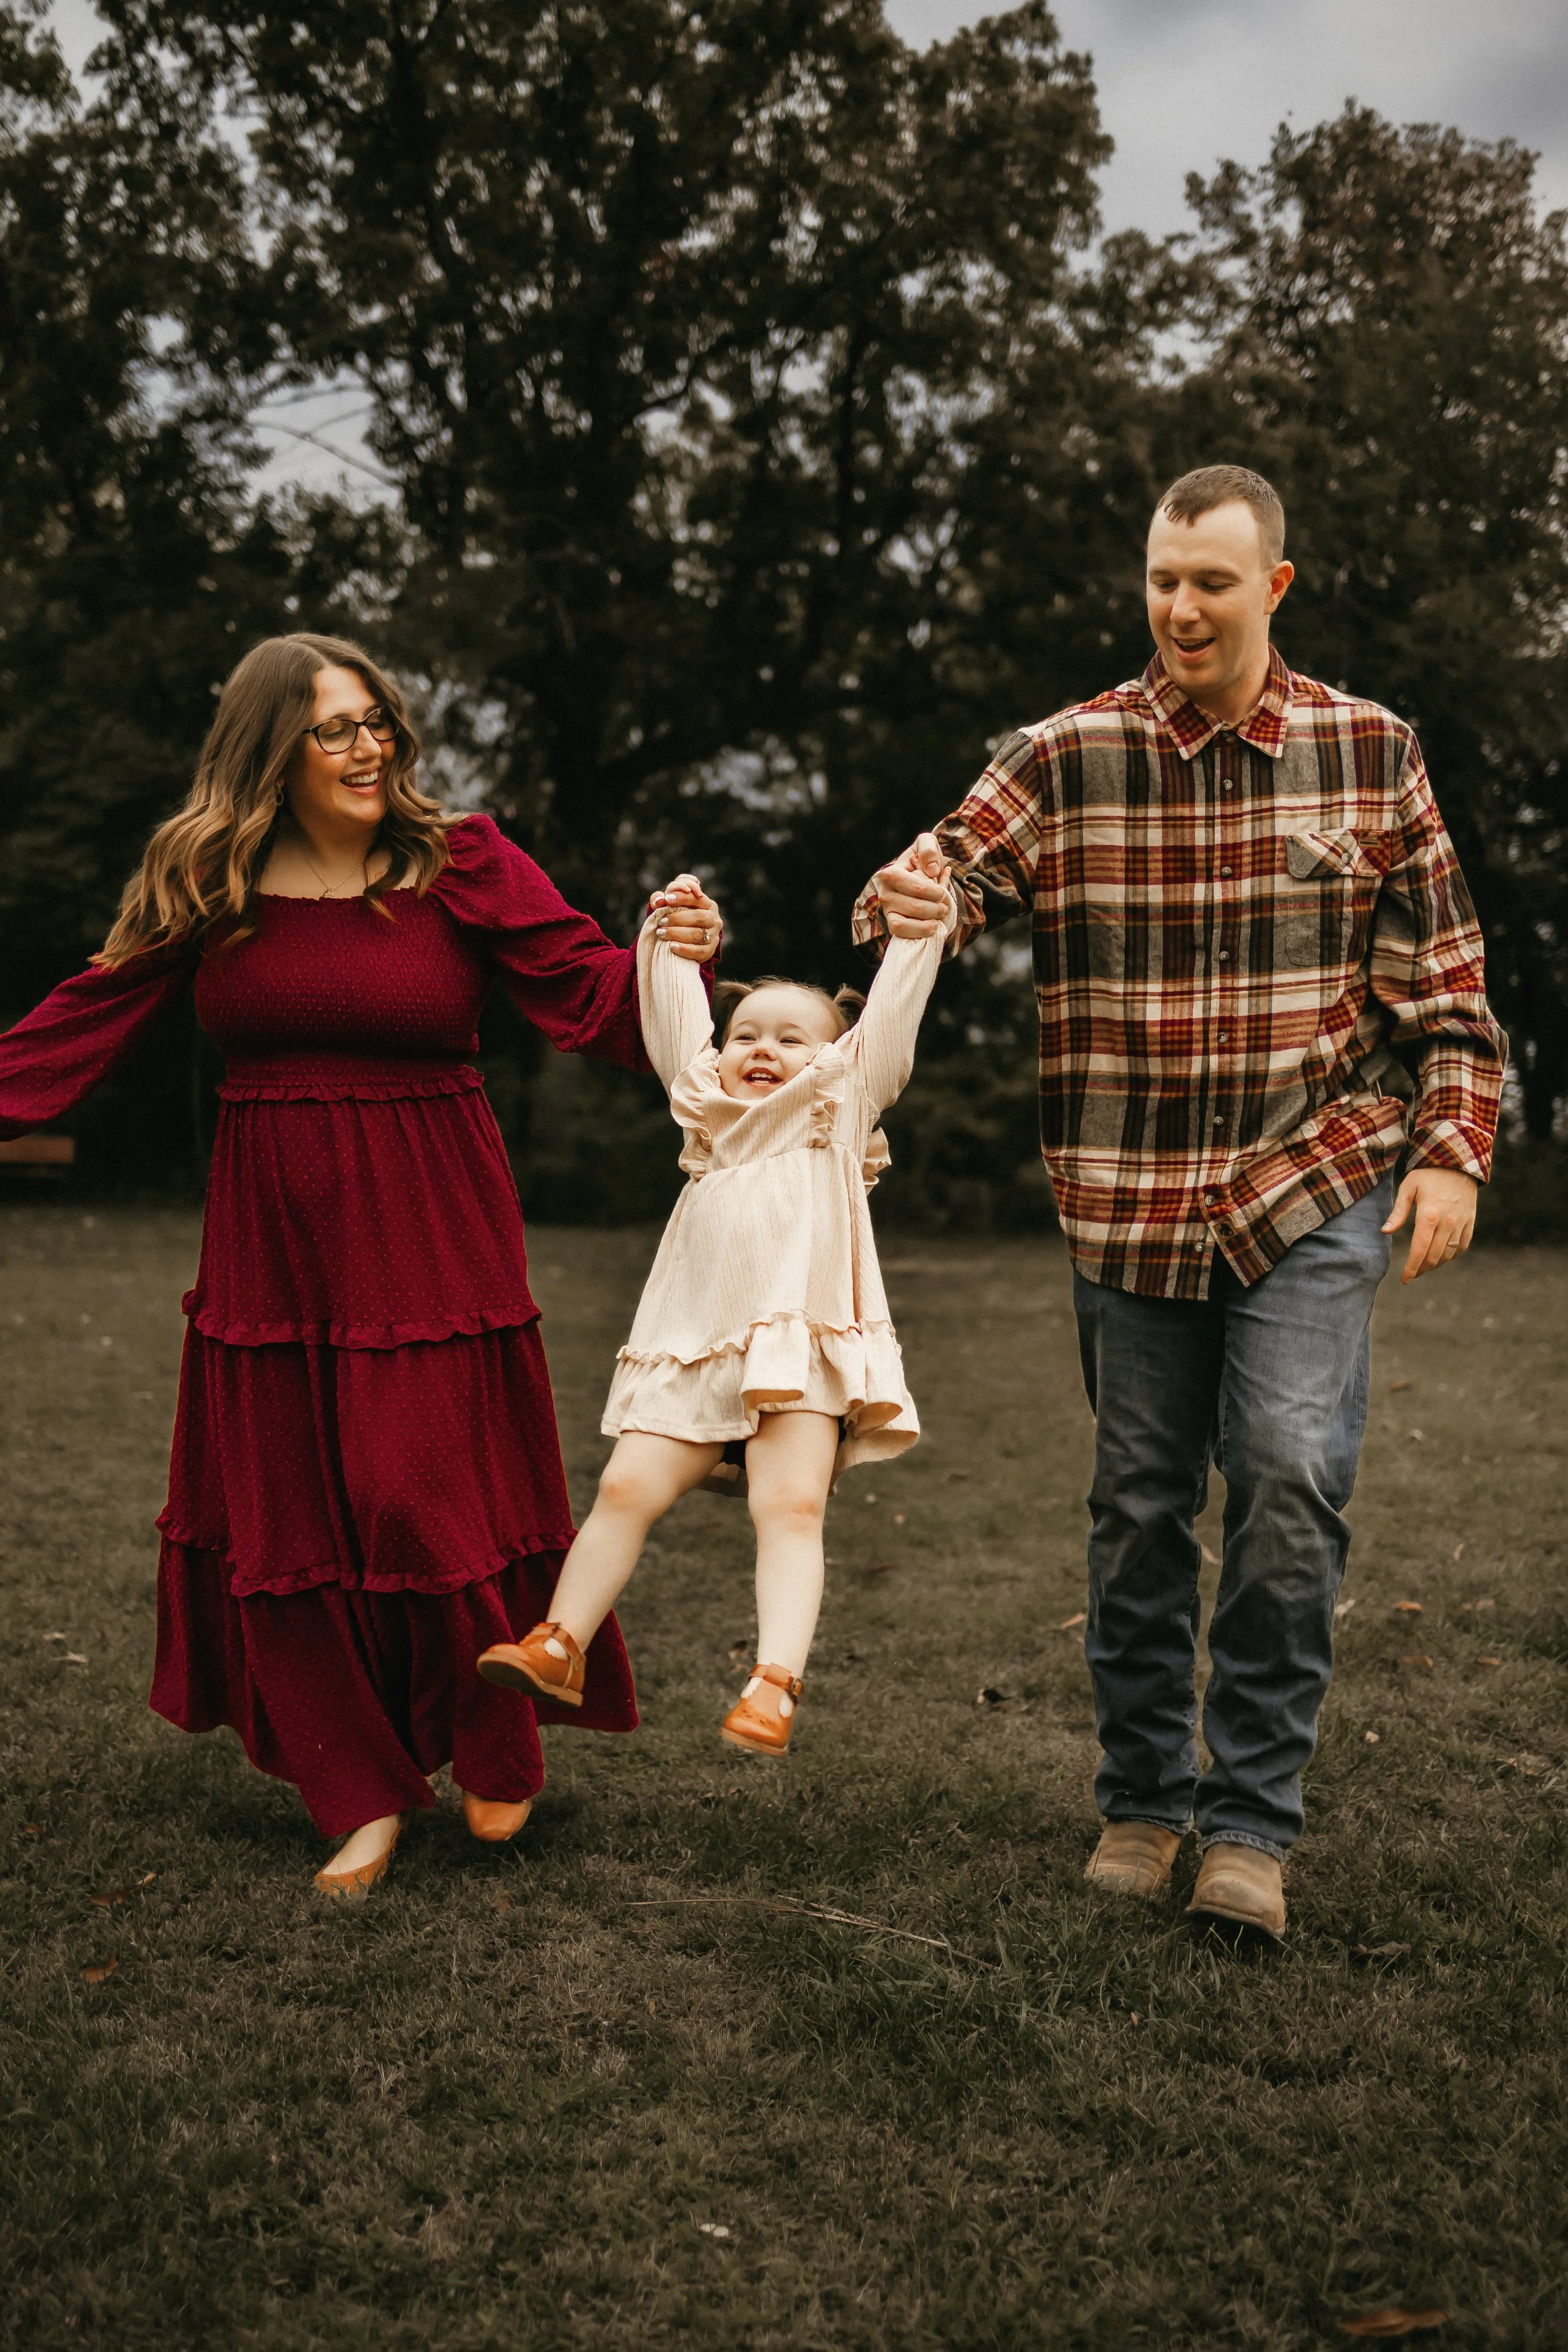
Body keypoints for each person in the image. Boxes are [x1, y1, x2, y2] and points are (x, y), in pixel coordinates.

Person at [858, 464, 1505, 1938]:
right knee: (1139, 1508)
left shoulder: (1369, 751)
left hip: (1313, 1174)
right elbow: (939, 873)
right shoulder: (1064, 753)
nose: (1180, 606)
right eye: (1161, 578)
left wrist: (1452, 1147)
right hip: (1125, 1194)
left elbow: (1448, 989)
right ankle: (1144, 1802)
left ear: (1271, 587)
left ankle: (1247, 1831)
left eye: (1211, 581)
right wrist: (914, 900)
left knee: (1281, 1476)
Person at [0, 633, 721, 1896]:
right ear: (271, 748)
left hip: (433, 1225)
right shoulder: (209, 879)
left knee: (415, 1494)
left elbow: (596, 1001)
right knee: (295, 1517)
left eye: (377, 719)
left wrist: (675, 955)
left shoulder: (461, 863)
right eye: (334, 727)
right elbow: (81, 1022)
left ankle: (491, 1735)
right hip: (272, 1244)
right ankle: (360, 1792)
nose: (368, 744)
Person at [475, 881, 951, 1756]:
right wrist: (673, 934)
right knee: (624, 1488)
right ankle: (561, 1643)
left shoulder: (841, 1103)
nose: (762, 1048)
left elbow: (893, 1012)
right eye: (744, 1036)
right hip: (695, 1348)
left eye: (790, 1037)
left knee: (791, 1502)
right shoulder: (708, 1111)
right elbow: (669, 1011)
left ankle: (773, 1682)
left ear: (837, 1055)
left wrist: (919, 933)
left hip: (801, 1349)